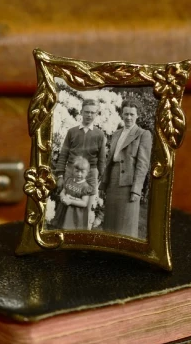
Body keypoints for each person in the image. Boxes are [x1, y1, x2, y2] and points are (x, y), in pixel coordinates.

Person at [100, 98, 152, 239]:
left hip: (128, 184)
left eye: (132, 114)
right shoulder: (116, 133)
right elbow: (110, 159)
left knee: (125, 225)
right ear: (122, 114)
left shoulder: (143, 134)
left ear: (137, 115)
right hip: (112, 181)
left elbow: (143, 165)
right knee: (110, 222)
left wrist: (136, 189)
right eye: (126, 114)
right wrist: (104, 184)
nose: (128, 117)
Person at [54, 98, 106, 229]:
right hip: (72, 171)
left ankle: (83, 234)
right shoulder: (72, 132)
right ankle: (65, 232)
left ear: (96, 114)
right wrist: (60, 175)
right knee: (66, 205)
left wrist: (101, 179)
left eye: (92, 112)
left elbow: (101, 159)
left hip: (91, 174)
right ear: (81, 112)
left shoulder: (100, 135)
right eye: (87, 112)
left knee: (86, 207)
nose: (89, 115)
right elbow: (64, 154)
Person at [52, 156, 93, 230]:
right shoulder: (69, 180)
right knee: (61, 227)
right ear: (73, 170)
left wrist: (70, 201)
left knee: (72, 229)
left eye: (82, 172)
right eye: (77, 171)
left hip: (76, 214)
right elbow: (63, 191)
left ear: (87, 173)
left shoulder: (85, 187)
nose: (79, 174)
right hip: (64, 209)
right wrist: (62, 197)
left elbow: (84, 203)